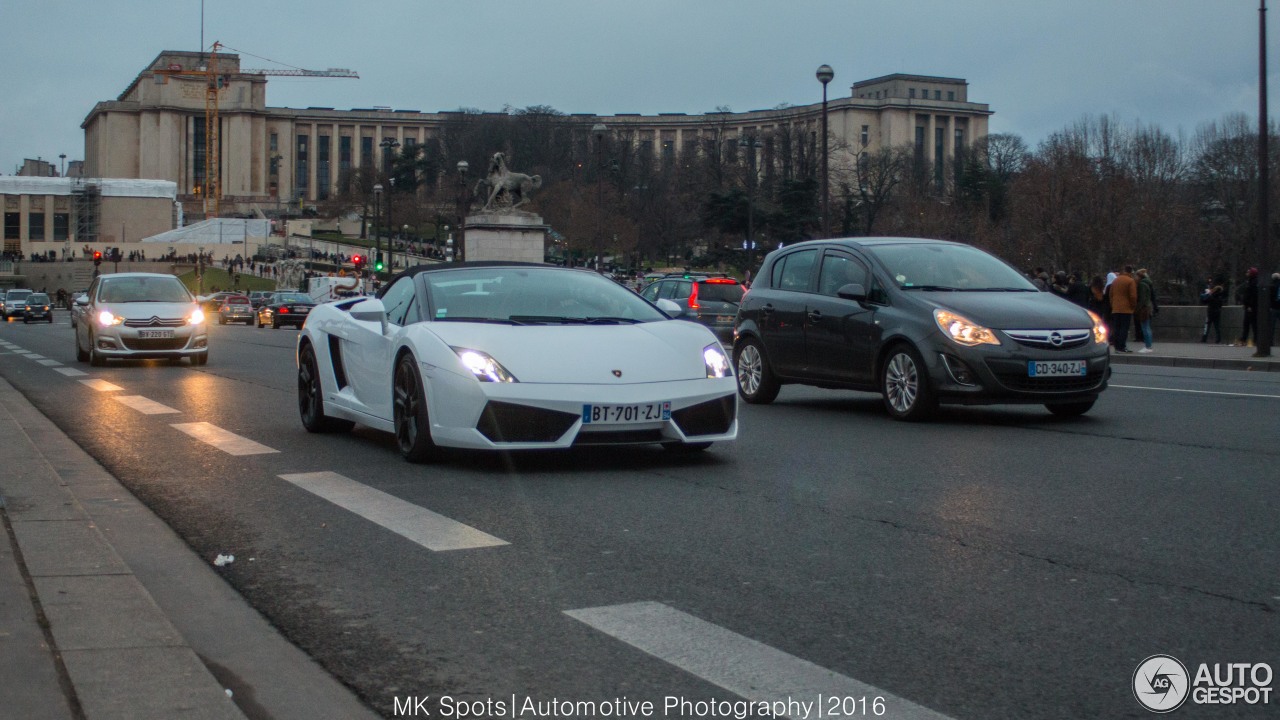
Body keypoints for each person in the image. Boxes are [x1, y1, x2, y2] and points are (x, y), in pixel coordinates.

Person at [1109, 266, 1138, 353]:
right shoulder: (1130, 281)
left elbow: (1111, 295)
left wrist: (1113, 305)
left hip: (1116, 308)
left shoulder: (1115, 280)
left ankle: (1116, 347)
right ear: (1130, 272)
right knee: (1124, 328)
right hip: (1126, 309)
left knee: (1116, 328)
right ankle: (1122, 346)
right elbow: (1133, 296)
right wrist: (1133, 306)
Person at [1233, 267, 1259, 347]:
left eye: (1248, 272)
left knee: (1252, 324)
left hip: (1251, 307)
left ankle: (1253, 340)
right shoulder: (1250, 282)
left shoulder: (1253, 283)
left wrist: (1249, 305)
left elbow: (1253, 295)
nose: (1246, 273)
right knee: (1247, 324)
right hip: (1249, 306)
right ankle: (1245, 339)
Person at [1135, 268, 1156, 352]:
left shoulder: (1142, 285)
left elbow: (1142, 299)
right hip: (1148, 306)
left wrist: (1137, 308)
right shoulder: (1148, 283)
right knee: (1147, 327)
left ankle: (1148, 346)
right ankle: (1149, 345)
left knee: (1145, 327)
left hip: (1144, 308)